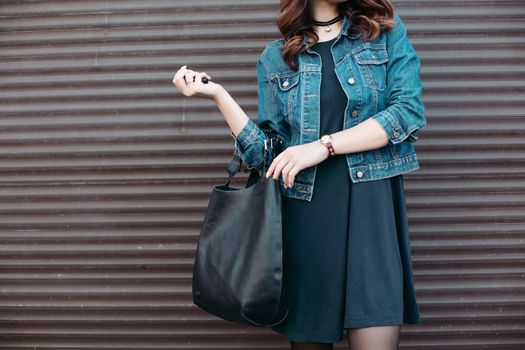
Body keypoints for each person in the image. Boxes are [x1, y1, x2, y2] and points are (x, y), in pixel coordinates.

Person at [173, 0, 426, 349]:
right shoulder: (277, 57)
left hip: (372, 210)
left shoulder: (384, 34)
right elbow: (268, 156)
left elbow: (407, 114)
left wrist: (325, 146)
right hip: (306, 218)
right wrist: (219, 96)